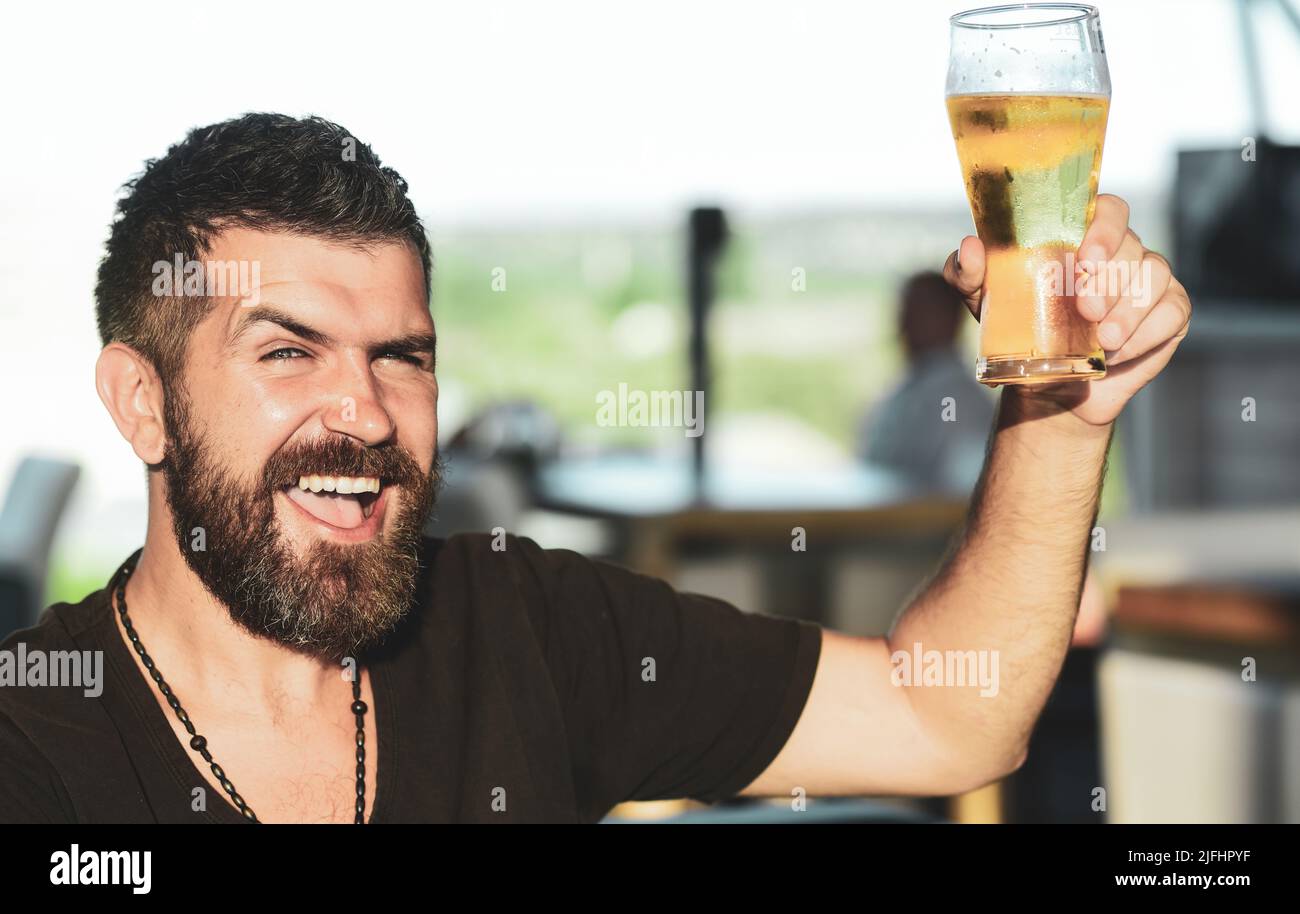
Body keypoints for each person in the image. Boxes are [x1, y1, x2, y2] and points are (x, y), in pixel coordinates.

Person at [0, 114, 1191, 823]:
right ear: (141, 401)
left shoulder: (526, 625)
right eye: (286, 351)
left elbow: (948, 718)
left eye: (402, 357)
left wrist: (1061, 414)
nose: (360, 411)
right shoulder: (37, 745)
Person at [858, 271, 998, 495]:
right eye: (904, 313)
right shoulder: (907, 389)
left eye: (919, 312)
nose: (904, 325)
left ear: (952, 319)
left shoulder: (961, 401)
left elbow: (961, 492)